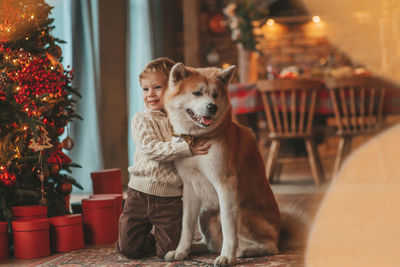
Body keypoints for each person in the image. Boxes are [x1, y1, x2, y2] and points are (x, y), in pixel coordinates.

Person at [117, 57, 210, 259]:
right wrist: (186, 147)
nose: (150, 94)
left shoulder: (182, 119)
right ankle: (149, 238)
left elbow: (198, 134)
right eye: (145, 89)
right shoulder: (142, 119)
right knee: (128, 248)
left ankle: (165, 238)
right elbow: (152, 150)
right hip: (139, 194)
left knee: (168, 251)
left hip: (170, 199)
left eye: (157, 87)